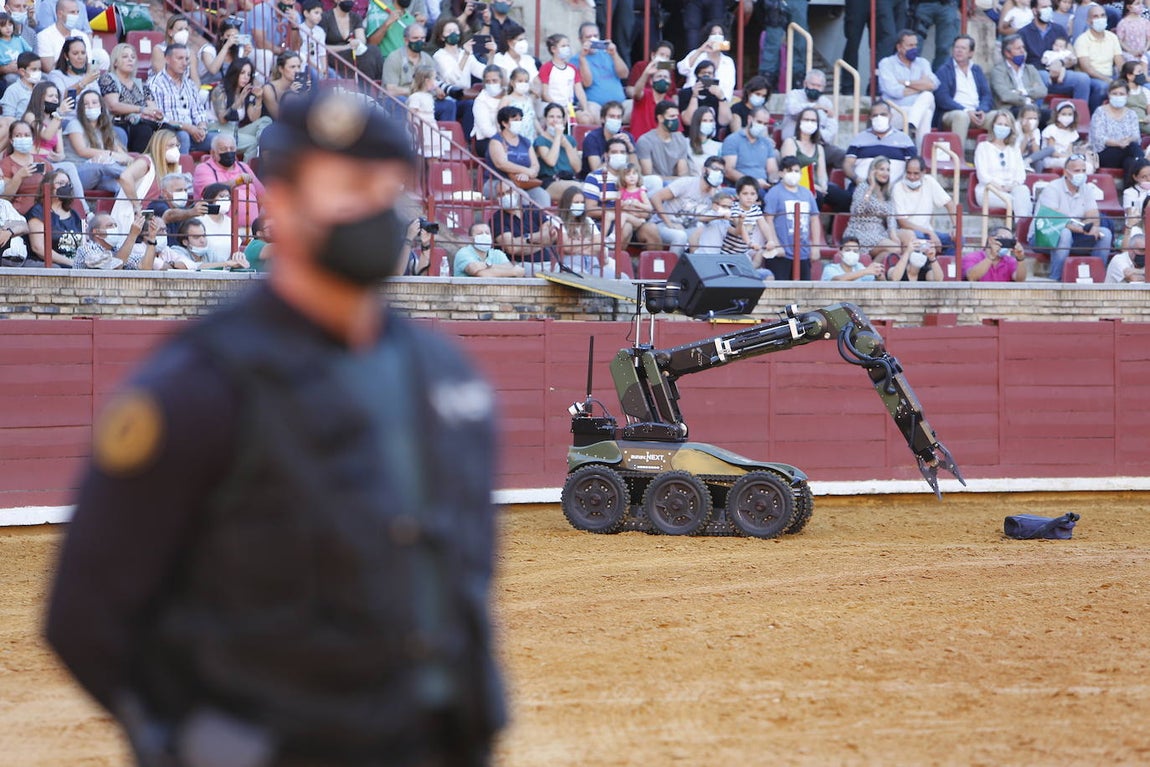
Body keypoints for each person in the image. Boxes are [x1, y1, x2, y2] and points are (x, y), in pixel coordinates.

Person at [46, 90, 506, 767]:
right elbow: (85, 615)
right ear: (282, 203)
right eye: (349, 186)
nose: (378, 207)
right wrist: (203, 741)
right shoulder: (197, 385)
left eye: (390, 188)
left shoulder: (449, 376)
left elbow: (458, 581)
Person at [1031, 153, 1112, 278]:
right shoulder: (1052, 188)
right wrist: (1084, 229)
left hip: (1076, 234)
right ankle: (1056, 279)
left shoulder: (1087, 189)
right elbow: (1056, 221)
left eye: (1084, 170)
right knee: (1064, 233)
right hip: (1043, 235)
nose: (1081, 174)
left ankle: (1097, 277)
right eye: (1077, 171)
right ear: (1066, 172)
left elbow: (1093, 216)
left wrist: (1093, 227)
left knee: (1105, 234)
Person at [760, 155, 823, 280]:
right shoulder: (774, 193)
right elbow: (768, 220)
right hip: (781, 254)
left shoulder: (807, 193)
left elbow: (814, 219)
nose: (793, 174)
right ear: (781, 173)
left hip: (803, 253)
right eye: (789, 171)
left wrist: (815, 247)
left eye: (796, 171)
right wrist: (776, 245)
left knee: (803, 293)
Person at [650, 155, 730, 254]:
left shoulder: (716, 193)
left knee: (708, 232)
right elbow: (656, 198)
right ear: (704, 170)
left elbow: (715, 215)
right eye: (715, 169)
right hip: (664, 224)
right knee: (680, 236)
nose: (718, 173)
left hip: (689, 228)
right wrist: (669, 223)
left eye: (721, 171)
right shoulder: (686, 183)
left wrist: (714, 197)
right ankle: (673, 268)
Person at [1020, 0, 1093, 105]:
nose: (1048, 10)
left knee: (1083, 79)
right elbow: (1022, 63)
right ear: (1035, 11)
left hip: (1060, 75)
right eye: (1044, 7)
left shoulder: (1059, 29)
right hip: (1036, 76)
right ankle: (1036, 116)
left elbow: (1073, 57)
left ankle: (1079, 117)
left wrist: (1060, 63)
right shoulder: (1023, 33)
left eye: (1049, 7)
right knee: (1043, 76)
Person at [149, 44, 216, 154]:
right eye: (180, 58)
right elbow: (159, 119)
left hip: (193, 133)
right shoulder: (155, 84)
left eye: (186, 59)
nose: (184, 63)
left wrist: (202, 128)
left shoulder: (190, 84)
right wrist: (187, 128)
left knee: (221, 140)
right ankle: (180, 170)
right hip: (168, 133)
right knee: (183, 136)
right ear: (167, 59)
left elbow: (199, 112)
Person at [877, 29, 938, 150]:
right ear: (899, 47)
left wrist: (906, 83)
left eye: (915, 45)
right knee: (926, 108)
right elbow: (894, 91)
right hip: (896, 111)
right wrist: (921, 86)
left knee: (928, 97)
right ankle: (921, 157)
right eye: (910, 45)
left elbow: (933, 85)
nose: (914, 48)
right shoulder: (887, 63)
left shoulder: (922, 62)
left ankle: (912, 123)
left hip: (915, 111)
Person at [98, 43, 164, 154]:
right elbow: (113, 106)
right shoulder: (108, 79)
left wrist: (155, 113)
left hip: (142, 123)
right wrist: (141, 109)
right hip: (118, 123)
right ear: (115, 62)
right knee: (144, 130)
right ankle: (139, 164)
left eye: (133, 57)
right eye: (125, 57)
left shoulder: (142, 85)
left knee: (168, 131)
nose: (130, 60)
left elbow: (152, 108)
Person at [843, 156, 916, 256]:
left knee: (909, 236)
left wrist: (893, 235)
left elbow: (891, 218)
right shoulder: (863, 187)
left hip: (879, 232)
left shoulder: (887, 192)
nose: (885, 173)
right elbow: (858, 209)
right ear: (873, 171)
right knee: (894, 248)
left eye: (888, 170)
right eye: (882, 169)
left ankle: (901, 269)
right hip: (860, 232)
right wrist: (871, 187)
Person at [934, 35, 993, 148]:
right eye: (956, 47)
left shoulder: (977, 70)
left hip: (976, 113)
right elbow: (942, 98)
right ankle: (957, 158)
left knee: (1000, 117)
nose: (959, 51)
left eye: (963, 48)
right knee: (962, 116)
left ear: (971, 53)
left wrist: (982, 110)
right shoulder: (944, 70)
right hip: (953, 113)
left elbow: (987, 95)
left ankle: (994, 158)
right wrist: (966, 111)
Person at [974, 109, 1035, 218]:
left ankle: (1021, 230)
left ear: (1011, 129)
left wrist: (1010, 187)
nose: (1003, 127)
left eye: (1006, 125)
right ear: (993, 125)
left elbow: (1020, 175)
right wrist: (1000, 187)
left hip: (1011, 189)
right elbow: (983, 176)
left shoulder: (1014, 149)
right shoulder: (983, 147)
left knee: (1023, 190)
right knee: (1020, 203)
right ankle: (1023, 232)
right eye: (1000, 124)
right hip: (989, 190)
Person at [487, 104, 550, 208]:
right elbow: (501, 164)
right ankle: (523, 223)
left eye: (520, 120)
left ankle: (542, 222)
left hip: (525, 182)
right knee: (522, 197)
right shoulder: (497, 140)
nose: (519, 123)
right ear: (504, 123)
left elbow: (535, 165)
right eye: (515, 120)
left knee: (543, 196)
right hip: (498, 182)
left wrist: (528, 174)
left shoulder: (525, 142)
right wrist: (526, 171)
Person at [842, 100, 916, 187]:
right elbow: (847, 164)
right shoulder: (859, 138)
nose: (879, 118)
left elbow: (913, 165)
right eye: (875, 115)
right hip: (862, 189)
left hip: (893, 191)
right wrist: (857, 179)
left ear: (890, 116)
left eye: (883, 114)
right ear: (870, 117)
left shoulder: (904, 139)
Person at [892, 156, 958, 253]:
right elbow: (902, 223)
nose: (912, 177)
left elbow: (949, 204)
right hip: (911, 233)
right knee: (919, 237)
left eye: (916, 174)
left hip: (927, 233)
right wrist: (930, 232)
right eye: (909, 173)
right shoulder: (898, 187)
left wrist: (956, 227)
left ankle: (943, 267)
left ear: (923, 172)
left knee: (958, 239)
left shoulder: (929, 181)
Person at [780, 70, 841, 166]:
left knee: (840, 154)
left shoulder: (826, 103)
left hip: (817, 146)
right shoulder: (794, 95)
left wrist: (817, 132)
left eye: (819, 86)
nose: (815, 88)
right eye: (813, 85)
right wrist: (814, 106)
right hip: (793, 145)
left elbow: (830, 135)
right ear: (805, 83)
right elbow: (793, 110)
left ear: (823, 88)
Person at [554, 185, 614, 277]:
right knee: (584, 279)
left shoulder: (588, 220)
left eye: (582, 202)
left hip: (593, 263)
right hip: (572, 263)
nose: (579, 205)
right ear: (567, 204)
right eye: (576, 202)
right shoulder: (557, 220)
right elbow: (566, 247)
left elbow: (599, 246)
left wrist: (576, 245)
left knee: (623, 278)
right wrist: (588, 243)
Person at [26, 166, 81, 265]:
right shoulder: (38, 212)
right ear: (48, 186)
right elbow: (38, 248)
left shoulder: (74, 214)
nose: (65, 187)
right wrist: (72, 263)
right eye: (60, 183)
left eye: (68, 184)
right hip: (50, 266)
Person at [538, 33, 596, 126]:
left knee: (586, 119)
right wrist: (558, 108)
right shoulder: (546, 67)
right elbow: (545, 94)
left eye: (568, 45)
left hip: (569, 107)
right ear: (553, 49)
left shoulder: (572, 68)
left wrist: (585, 109)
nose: (567, 48)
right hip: (551, 106)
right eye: (563, 46)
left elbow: (579, 90)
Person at [1089, 79, 1145, 172]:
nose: (1118, 96)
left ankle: (1131, 185)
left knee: (1130, 162)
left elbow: (1136, 136)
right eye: (1114, 93)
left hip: (1127, 152)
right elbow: (1098, 138)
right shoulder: (1100, 112)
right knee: (1133, 149)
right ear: (1109, 94)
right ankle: (1143, 163)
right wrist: (1118, 143)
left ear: (1127, 95)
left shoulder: (1131, 114)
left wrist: (1127, 141)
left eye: (1121, 94)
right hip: (1105, 154)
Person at [320, 0, 384, 82]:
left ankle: (376, 84)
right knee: (367, 57)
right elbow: (321, 46)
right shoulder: (325, 17)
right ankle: (368, 88)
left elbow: (361, 39)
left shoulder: (355, 17)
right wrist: (346, 47)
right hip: (333, 55)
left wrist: (357, 42)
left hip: (352, 53)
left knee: (374, 50)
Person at [574, 22, 628, 118]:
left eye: (595, 36)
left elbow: (624, 74)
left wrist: (614, 54)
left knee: (637, 106)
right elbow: (587, 83)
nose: (593, 39)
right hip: (596, 106)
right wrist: (582, 57)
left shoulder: (607, 53)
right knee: (591, 112)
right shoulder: (575, 59)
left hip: (619, 105)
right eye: (588, 37)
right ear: (580, 40)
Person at [73, 210, 161, 269]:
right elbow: (113, 269)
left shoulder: (118, 249)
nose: (114, 228)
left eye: (115, 225)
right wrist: (133, 235)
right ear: (96, 232)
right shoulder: (86, 249)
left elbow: (145, 268)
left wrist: (152, 239)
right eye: (110, 225)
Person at [1076, 3, 1124, 109]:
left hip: (1110, 76)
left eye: (1103, 15)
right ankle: (1094, 118)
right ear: (1088, 21)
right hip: (1092, 78)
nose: (1100, 19)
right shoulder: (1082, 40)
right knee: (1103, 87)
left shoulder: (1112, 37)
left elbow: (1120, 63)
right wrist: (1107, 79)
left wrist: (1124, 78)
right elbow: (1087, 68)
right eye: (1096, 16)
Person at [720, 105, 779, 191]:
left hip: (764, 186)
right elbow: (728, 171)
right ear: (749, 119)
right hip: (740, 187)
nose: (762, 126)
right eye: (759, 122)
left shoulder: (766, 143)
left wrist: (775, 179)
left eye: (765, 124)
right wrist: (753, 182)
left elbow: (772, 170)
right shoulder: (733, 140)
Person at [534, 101, 582, 201]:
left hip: (569, 178)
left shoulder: (570, 140)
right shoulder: (540, 140)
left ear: (563, 121)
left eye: (559, 117)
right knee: (578, 188)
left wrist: (567, 145)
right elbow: (551, 161)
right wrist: (557, 137)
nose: (555, 120)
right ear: (545, 119)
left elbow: (577, 168)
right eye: (551, 117)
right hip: (550, 181)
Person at [1, 118, 50, 214]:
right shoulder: (4, 165)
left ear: (32, 139)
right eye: (18, 135)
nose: (23, 138)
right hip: (18, 214)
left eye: (27, 135)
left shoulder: (43, 163)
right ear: (11, 140)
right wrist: (19, 176)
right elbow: (5, 198)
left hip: (45, 211)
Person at [676, 24, 736, 101]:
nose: (717, 36)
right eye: (713, 34)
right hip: (692, 99)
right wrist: (700, 50)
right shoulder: (697, 54)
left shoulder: (728, 62)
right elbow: (682, 70)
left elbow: (729, 87)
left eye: (720, 34)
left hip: (716, 102)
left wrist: (723, 101)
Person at [636, 100, 690, 184]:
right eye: (672, 116)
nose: (676, 120)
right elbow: (648, 176)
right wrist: (674, 180)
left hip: (676, 184)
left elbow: (682, 173)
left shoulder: (680, 138)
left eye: (677, 116)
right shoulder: (645, 141)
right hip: (655, 185)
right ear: (660, 118)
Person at [990, 34, 1049, 111]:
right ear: (1007, 53)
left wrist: (1022, 91)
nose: (1023, 51)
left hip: (1031, 109)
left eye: (1023, 47)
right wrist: (1026, 100)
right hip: (1010, 110)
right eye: (1018, 48)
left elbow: (1042, 91)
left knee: (1049, 114)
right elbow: (1005, 96)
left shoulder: (1030, 69)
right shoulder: (998, 71)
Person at [630, 56, 680, 140]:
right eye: (659, 76)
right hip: (640, 144)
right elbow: (636, 93)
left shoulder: (670, 103)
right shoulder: (644, 95)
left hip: (660, 146)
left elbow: (676, 130)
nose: (662, 79)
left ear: (670, 82)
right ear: (651, 81)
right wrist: (646, 73)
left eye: (665, 77)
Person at [581, 100, 636, 176]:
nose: (615, 120)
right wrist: (612, 157)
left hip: (624, 179)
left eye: (618, 117)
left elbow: (637, 170)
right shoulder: (592, 138)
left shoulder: (627, 137)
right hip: (598, 180)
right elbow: (596, 171)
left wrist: (630, 149)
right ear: (603, 119)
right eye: (612, 116)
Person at [454, 218, 525, 276]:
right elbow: (481, 274)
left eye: (487, 233)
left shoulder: (497, 253)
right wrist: (512, 272)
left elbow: (509, 267)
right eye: (480, 233)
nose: (485, 236)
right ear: (471, 239)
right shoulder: (464, 252)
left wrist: (487, 266)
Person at [35, 0, 88, 73]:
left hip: (83, 78)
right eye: (72, 12)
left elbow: (90, 65)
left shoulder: (83, 36)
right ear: (60, 14)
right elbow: (49, 69)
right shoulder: (44, 36)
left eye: (77, 12)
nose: (76, 16)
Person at [678, 58, 730, 131]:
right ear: (697, 75)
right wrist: (694, 96)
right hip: (691, 135)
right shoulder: (685, 93)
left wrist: (721, 98)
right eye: (703, 73)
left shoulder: (717, 94)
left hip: (713, 137)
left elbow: (725, 121)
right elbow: (688, 121)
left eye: (709, 73)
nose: (706, 75)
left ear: (713, 76)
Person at [962, 226, 1029, 281]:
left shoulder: (1010, 261)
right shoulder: (972, 257)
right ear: (990, 240)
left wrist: (1020, 259)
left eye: (1009, 241)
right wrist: (991, 256)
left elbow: (1020, 280)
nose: (1005, 243)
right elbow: (971, 277)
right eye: (1002, 239)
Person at [262, 50, 307, 122]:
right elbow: (279, 117)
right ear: (281, 69)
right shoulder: (268, 89)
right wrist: (289, 94)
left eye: (298, 66)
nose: (297, 70)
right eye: (292, 67)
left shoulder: (299, 86)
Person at [820, 235, 887, 281]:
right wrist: (866, 271)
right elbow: (839, 280)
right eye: (848, 250)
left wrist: (878, 276)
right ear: (840, 253)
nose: (852, 253)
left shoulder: (859, 267)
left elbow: (875, 282)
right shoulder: (830, 269)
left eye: (855, 251)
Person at [685, 105, 721, 175]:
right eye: (704, 120)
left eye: (711, 121)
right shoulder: (685, 143)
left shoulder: (718, 146)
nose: (708, 123)